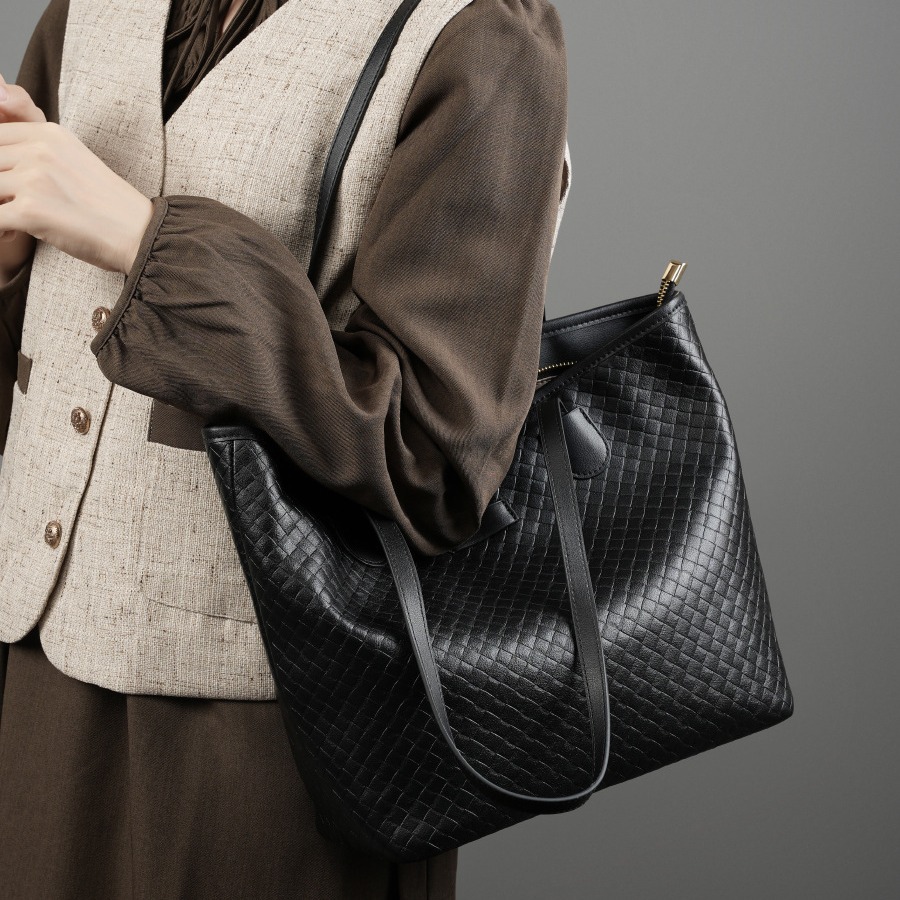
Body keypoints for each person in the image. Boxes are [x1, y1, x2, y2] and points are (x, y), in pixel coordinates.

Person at [0, 0, 570, 897]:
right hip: (33, 687)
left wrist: (146, 240)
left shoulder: (480, 32)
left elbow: (435, 457)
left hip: (270, 733)